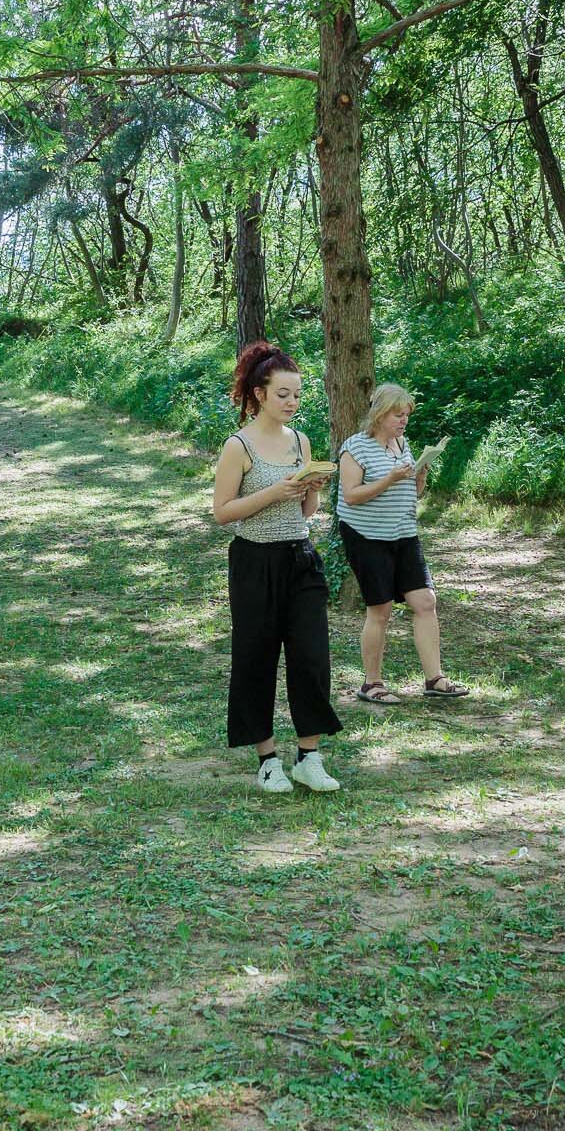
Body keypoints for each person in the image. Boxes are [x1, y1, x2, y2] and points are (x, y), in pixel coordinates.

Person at [211, 341, 342, 795]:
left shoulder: (300, 441)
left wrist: (311, 488)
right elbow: (223, 512)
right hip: (254, 563)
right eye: (283, 394)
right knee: (256, 659)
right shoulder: (238, 445)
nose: (292, 402)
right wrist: (273, 492)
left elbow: (306, 511)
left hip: (300, 559)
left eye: (298, 395)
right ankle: (267, 760)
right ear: (260, 393)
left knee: (311, 657)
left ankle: (310, 756)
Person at [335, 382, 467, 704]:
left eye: (406, 415)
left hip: (404, 533)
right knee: (380, 610)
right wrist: (389, 479)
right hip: (366, 536)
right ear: (379, 414)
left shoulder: (401, 444)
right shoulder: (355, 447)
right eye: (398, 414)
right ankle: (372, 684)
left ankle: (434, 678)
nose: (403, 420)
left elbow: (412, 494)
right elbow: (351, 496)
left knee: (425, 602)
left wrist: (419, 478)